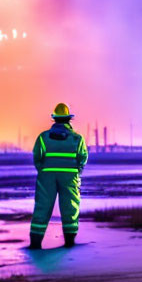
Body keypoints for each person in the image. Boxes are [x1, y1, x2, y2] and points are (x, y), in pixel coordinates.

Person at [29, 102, 88, 249]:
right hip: (70, 177)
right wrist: (77, 171)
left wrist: (43, 170)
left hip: (46, 176)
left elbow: (37, 156)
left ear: (55, 119)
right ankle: (69, 241)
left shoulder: (43, 137)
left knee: (42, 206)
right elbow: (83, 158)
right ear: (68, 119)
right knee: (70, 207)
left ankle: (35, 242)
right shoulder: (77, 139)